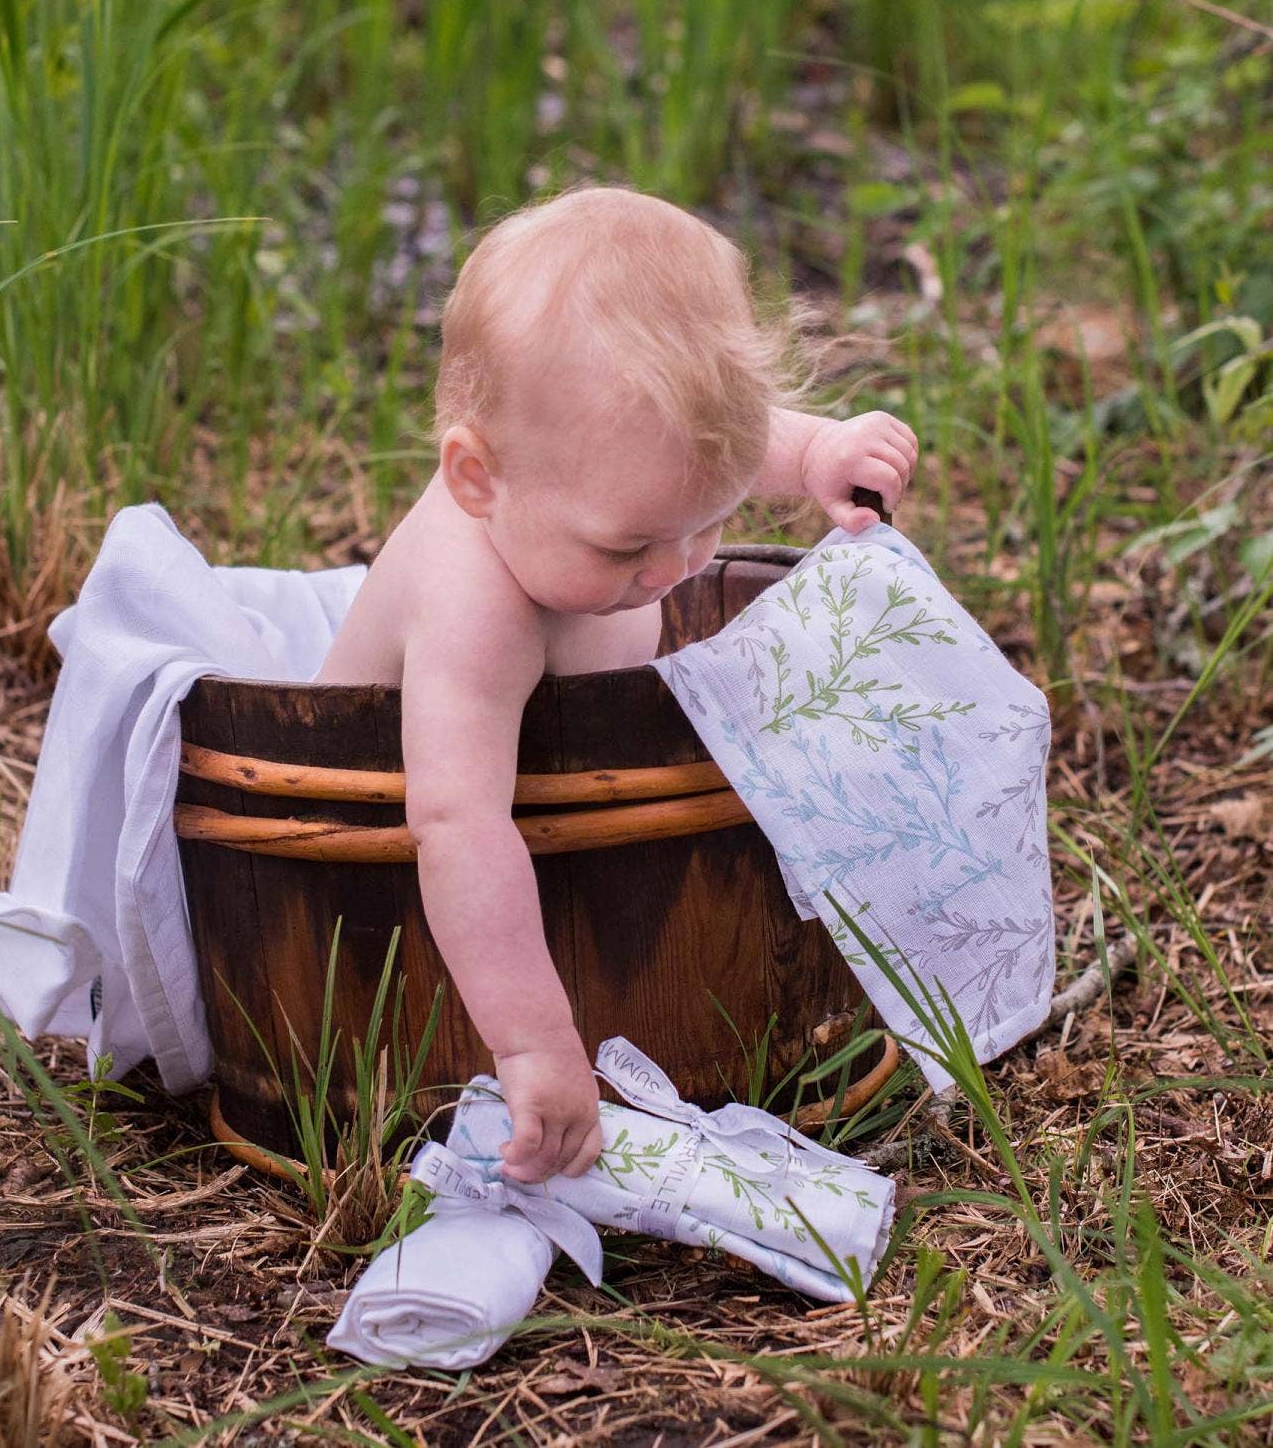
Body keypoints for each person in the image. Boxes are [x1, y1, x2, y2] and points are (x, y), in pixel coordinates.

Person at [316, 184, 918, 1183]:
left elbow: (703, 452)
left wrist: (814, 449)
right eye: (630, 543)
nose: (677, 565)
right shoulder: (476, 608)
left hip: (585, 820)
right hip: (408, 894)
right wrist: (532, 1045)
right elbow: (457, 827)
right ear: (478, 479)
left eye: (707, 523)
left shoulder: (608, 479)